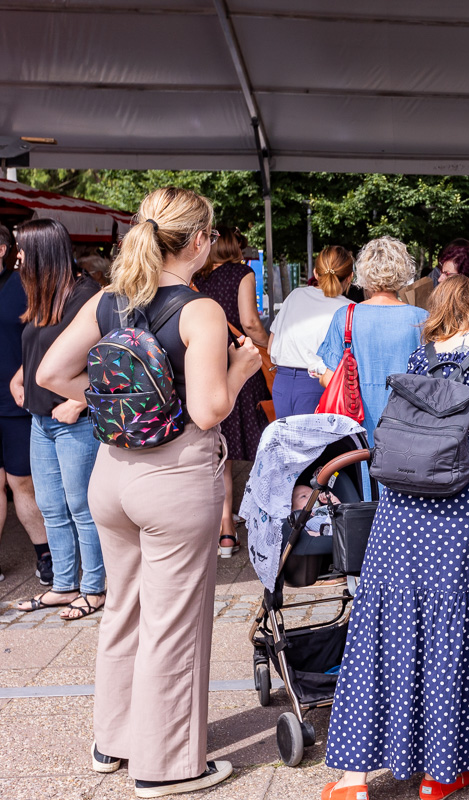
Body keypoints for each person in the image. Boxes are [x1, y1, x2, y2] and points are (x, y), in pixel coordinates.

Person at [38, 186, 261, 796]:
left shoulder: (109, 300)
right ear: (200, 241)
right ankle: (167, 766)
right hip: (174, 475)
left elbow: (51, 373)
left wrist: (118, 405)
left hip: (111, 472)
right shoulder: (199, 310)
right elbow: (209, 409)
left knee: (124, 610)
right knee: (173, 624)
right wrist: (241, 370)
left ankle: (113, 741)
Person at [321, 276, 469, 800]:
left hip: (405, 517)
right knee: (465, 630)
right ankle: (441, 771)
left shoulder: (423, 357)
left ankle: (352, 780)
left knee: (388, 631)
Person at [9, 219, 104, 619]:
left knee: (82, 507)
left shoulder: (87, 295)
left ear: (41, 252)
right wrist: (21, 376)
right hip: (40, 420)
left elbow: (107, 361)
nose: (17, 257)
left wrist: (78, 404)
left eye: (22, 249)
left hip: (74, 422)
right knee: (51, 507)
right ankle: (64, 586)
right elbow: (43, 349)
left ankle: (95, 589)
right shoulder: (44, 293)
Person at [192, 227, 271, 557]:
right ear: (234, 247)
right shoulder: (242, 273)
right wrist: (271, 344)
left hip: (209, 364)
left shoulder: (198, 278)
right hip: (239, 362)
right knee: (259, 443)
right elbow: (249, 322)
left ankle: (225, 531)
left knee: (220, 450)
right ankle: (262, 518)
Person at [316, 236, 428, 444]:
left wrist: (319, 376)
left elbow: (330, 379)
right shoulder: (422, 318)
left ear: (363, 272)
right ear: (404, 271)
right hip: (408, 429)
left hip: (357, 430)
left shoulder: (345, 316)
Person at [0, 223, 51, 586]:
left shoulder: (22, 285)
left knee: (22, 483)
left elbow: (44, 339)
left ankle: (46, 555)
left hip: (15, 404)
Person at [268, 245, 352, 417]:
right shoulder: (350, 310)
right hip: (319, 384)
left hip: (282, 384)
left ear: (315, 273)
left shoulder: (295, 295)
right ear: (350, 277)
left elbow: (270, 347)